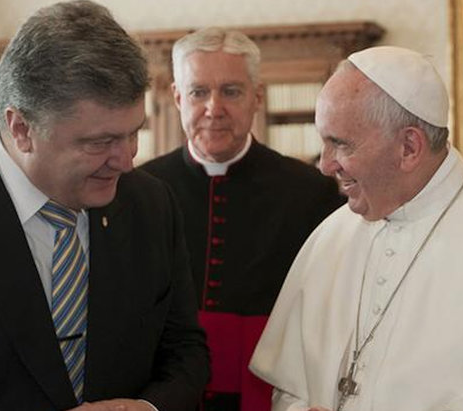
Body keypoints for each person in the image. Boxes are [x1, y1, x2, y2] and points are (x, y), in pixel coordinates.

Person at [0, 1, 209, 410]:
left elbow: (186, 352)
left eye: (133, 133)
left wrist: (148, 409)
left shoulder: (152, 204)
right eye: (99, 142)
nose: (126, 160)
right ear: (21, 128)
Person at [249, 46, 463, 411]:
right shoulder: (332, 237)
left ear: (409, 147)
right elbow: (291, 389)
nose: (325, 165)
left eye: (340, 144)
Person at [140, 28, 344, 411]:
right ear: (177, 98)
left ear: (258, 97)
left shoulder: (310, 192)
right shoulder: (140, 189)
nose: (213, 108)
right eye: (198, 92)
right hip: (164, 394)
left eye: (231, 91)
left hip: (273, 394)